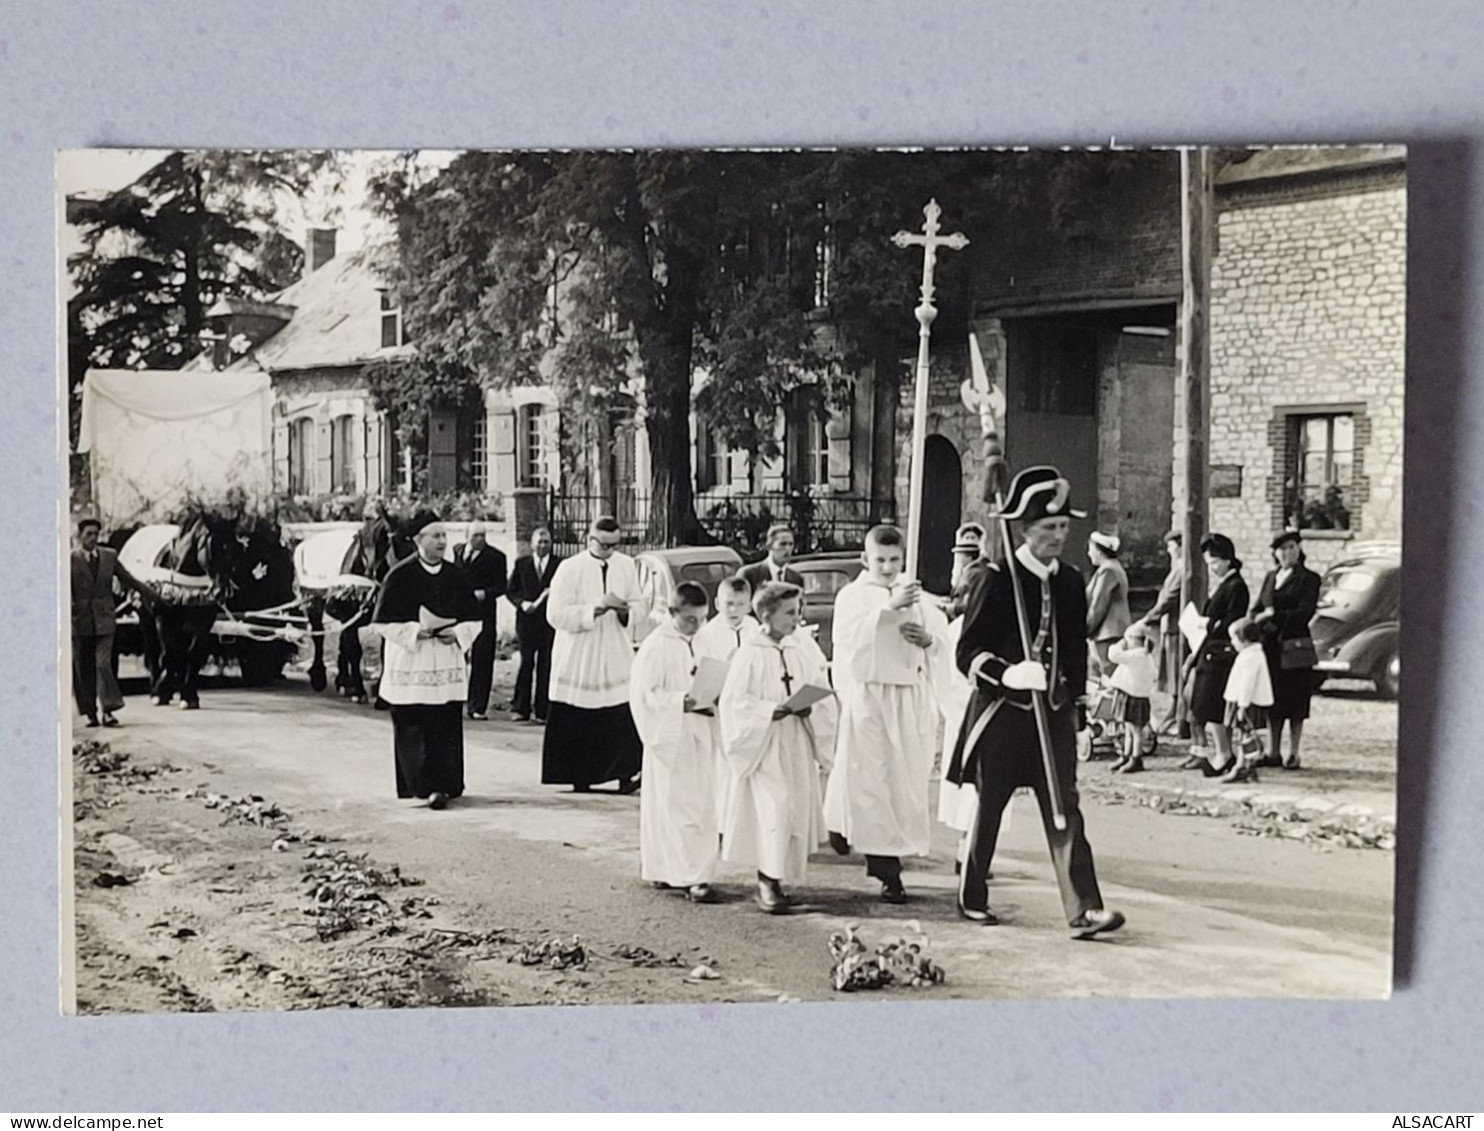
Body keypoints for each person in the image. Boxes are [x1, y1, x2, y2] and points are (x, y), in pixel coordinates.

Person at [947, 465, 1125, 939]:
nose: (1058, 537)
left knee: (1065, 809)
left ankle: (1085, 909)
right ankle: (972, 895)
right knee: (990, 809)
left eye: (1064, 528)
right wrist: (1006, 673)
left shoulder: (1069, 580)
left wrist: (1080, 706)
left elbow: (1073, 649)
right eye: (1048, 528)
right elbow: (965, 653)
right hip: (1002, 716)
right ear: (1024, 530)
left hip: (1053, 713)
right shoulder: (996, 577)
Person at [824, 524, 949, 904]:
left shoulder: (916, 595)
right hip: (870, 695)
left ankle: (844, 826)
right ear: (866, 559)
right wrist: (886, 609)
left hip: (907, 698)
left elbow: (942, 642)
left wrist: (928, 641)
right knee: (871, 778)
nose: (888, 568)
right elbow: (846, 642)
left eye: (895, 560)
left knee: (903, 780)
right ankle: (886, 870)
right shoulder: (853, 596)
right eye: (880, 560)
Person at [718, 581, 836, 914]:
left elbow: (821, 688)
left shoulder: (801, 649)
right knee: (776, 807)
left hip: (796, 740)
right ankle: (766, 882)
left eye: (798, 611)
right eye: (789, 613)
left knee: (793, 807)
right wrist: (771, 710)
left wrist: (810, 707)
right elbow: (734, 703)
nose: (797, 618)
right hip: (766, 745)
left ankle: (778, 880)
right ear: (766, 615)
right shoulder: (750, 653)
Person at [370, 511, 483, 810]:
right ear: (418, 540)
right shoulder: (400, 575)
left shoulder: (456, 574)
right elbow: (382, 623)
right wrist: (415, 631)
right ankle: (421, 786)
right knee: (414, 725)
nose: (442, 542)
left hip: (445, 657)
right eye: (435, 536)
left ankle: (447, 784)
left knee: (445, 724)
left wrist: (458, 633)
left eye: (444, 536)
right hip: (413, 659)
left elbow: (474, 618)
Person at [630, 581, 723, 903]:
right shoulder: (657, 646)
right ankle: (688, 877)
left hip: (700, 731)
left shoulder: (705, 640)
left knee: (700, 805)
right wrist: (677, 702)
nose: (697, 626)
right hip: (670, 735)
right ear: (672, 613)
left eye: (702, 618)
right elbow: (644, 695)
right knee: (676, 806)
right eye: (690, 620)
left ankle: (684, 870)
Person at [541, 516, 644, 793]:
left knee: (620, 708)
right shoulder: (569, 568)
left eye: (615, 544)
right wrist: (593, 610)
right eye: (604, 544)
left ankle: (626, 773)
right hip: (580, 650)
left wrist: (625, 611)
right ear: (590, 539)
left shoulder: (626, 565)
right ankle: (580, 775)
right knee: (579, 713)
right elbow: (555, 614)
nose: (610, 550)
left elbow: (639, 604)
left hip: (613, 646)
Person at [1250, 529, 1322, 770]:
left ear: (1299, 549)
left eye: (1292, 547)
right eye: (1282, 549)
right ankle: (1273, 751)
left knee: (1296, 701)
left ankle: (1294, 752)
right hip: (1270, 646)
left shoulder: (1309, 578)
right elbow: (1259, 606)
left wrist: (1274, 617)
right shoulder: (1271, 577)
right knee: (1274, 701)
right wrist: (1255, 622)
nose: (1287, 553)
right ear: (1275, 553)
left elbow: (1304, 612)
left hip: (1294, 647)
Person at [1182, 532, 1251, 777]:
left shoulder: (1236, 587)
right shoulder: (1226, 584)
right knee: (1206, 706)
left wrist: (1208, 624)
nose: (1212, 568)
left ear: (1227, 559)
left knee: (1212, 706)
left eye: (1214, 563)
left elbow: (1232, 621)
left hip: (1220, 655)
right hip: (1210, 652)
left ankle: (1224, 753)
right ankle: (1223, 752)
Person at [70, 517, 149, 729]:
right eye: (89, 534)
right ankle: (90, 713)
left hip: (105, 619)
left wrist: (150, 594)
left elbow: (128, 578)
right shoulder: (70, 559)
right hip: (80, 621)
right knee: (83, 668)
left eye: (96, 534)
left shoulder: (109, 556)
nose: (93, 538)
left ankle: (108, 711)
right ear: (80, 536)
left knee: (102, 663)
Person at [453, 521, 508, 721]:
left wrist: (485, 593)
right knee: (457, 658)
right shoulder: (457, 552)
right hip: (460, 615)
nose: (480, 539)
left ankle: (478, 706)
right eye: (476, 535)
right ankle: (455, 701)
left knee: (482, 660)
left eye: (483, 535)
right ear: (466, 535)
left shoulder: (496, 557)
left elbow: (502, 586)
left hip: (484, 614)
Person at [506, 526, 561, 724]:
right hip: (526, 623)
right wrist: (522, 603)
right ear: (532, 544)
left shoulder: (559, 565)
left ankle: (543, 711)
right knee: (526, 663)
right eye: (540, 541)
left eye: (547, 542)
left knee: (546, 664)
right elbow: (511, 591)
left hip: (548, 623)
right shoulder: (522, 564)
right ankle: (520, 708)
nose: (543, 545)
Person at [1136, 530, 1188, 734]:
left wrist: (1148, 618)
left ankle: (1176, 713)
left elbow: (1169, 599)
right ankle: (1173, 711)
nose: (1169, 550)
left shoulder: (1183, 569)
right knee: (1171, 672)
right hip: (1169, 627)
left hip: (1175, 628)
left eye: (1171, 546)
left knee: (1175, 671)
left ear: (1181, 546)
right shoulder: (1177, 568)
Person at [1220, 617, 1275, 783]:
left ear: (1243, 639)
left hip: (1247, 702)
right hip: (1243, 701)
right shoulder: (1251, 654)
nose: (1232, 642)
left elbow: (1247, 683)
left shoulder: (1251, 657)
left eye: (1234, 638)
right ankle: (1246, 766)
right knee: (1245, 736)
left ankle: (1243, 766)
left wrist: (1243, 705)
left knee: (1245, 735)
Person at [1106, 624, 1158, 773]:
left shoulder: (1136, 655)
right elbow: (1154, 675)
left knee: (1135, 731)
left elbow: (1113, 656)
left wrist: (1119, 644)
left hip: (1133, 696)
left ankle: (1136, 758)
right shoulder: (1146, 656)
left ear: (1134, 640)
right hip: (1139, 695)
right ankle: (1127, 755)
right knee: (1130, 729)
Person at [1085, 531, 1132, 682]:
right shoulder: (1113, 568)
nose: (1089, 553)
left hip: (1108, 633)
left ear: (1098, 551)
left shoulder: (1108, 571)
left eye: (1090, 549)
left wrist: (1085, 630)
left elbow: (1098, 606)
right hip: (1111, 632)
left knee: (1109, 679)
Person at [737, 524, 805, 593]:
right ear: (769, 546)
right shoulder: (749, 574)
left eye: (791, 544)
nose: (788, 549)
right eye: (783, 544)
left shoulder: (796, 579)